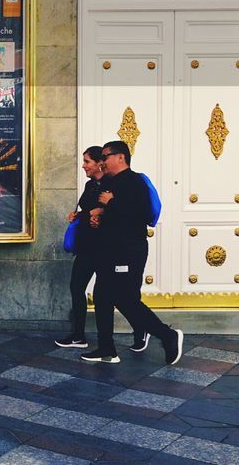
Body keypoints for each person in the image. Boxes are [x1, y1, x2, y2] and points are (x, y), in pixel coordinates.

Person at [82, 140, 183, 365]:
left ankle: (167, 335)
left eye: (106, 156)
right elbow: (113, 213)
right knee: (102, 296)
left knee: (125, 299)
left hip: (128, 250)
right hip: (108, 250)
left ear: (120, 157)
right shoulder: (109, 181)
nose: (103, 161)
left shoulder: (133, 181)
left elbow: (142, 215)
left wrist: (112, 202)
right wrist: (99, 213)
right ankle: (107, 348)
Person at [56, 146, 150, 353]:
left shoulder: (116, 183)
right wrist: (79, 216)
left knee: (117, 294)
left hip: (108, 247)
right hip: (87, 246)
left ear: (101, 162)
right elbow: (90, 208)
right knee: (78, 287)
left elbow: (128, 212)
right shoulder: (91, 186)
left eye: (87, 161)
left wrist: (103, 210)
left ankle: (142, 330)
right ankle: (80, 336)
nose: (83, 166)